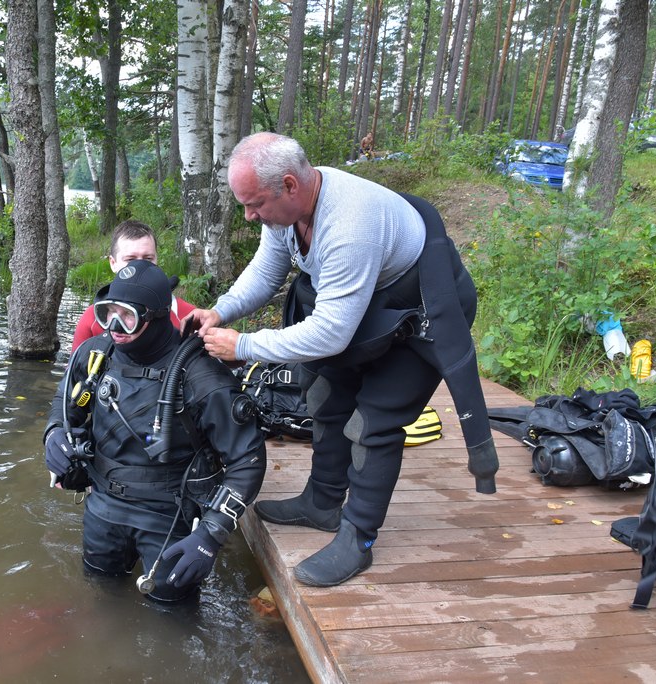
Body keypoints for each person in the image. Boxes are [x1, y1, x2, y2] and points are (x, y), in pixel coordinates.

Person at [185, 132, 498, 587]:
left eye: (255, 205)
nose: (250, 215)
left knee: (373, 424)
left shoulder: (349, 224)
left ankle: (358, 539)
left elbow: (332, 333)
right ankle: (322, 502)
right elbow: (267, 270)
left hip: (423, 314)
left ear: (290, 185)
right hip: (371, 306)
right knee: (325, 396)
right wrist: (221, 310)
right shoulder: (284, 216)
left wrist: (244, 346)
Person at [46, 260, 266, 602]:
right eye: (107, 313)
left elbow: (246, 460)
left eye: (127, 316)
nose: (114, 327)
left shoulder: (201, 377)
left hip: (169, 515)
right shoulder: (95, 356)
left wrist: (210, 536)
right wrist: (54, 434)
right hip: (103, 506)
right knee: (99, 596)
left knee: (170, 614)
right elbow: (66, 402)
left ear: (157, 315)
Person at [71, 220, 196, 351]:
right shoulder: (93, 318)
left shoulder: (188, 316)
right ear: (113, 263)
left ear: (157, 260)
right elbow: (75, 368)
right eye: (130, 260)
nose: (140, 267)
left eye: (148, 259)